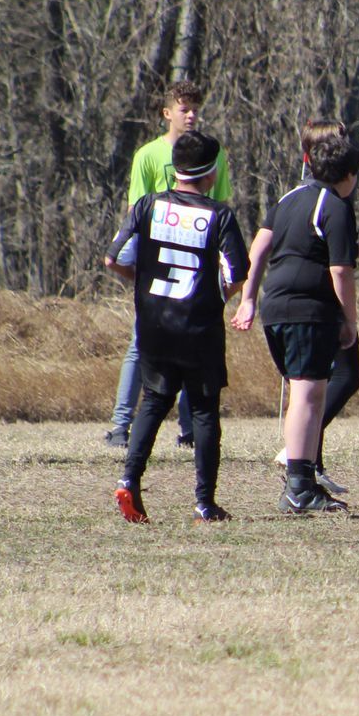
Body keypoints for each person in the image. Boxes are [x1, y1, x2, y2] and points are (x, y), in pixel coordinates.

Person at [233, 130, 359, 512]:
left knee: (307, 394)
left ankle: (305, 481)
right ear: (347, 175)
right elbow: (341, 271)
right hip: (307, 310)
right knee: (308, 397)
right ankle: (298, 487)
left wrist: (249, 298)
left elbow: (259, 248)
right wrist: (350, 320)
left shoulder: (290, 197)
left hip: (277, 306)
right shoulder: (336, 206)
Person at [104, 132, 248, 523]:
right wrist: (219, 297)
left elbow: (112, 259)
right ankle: (204, 501)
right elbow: (236, 276)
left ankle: (129, 479)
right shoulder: (220, 215)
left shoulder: (148, 205)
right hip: (198, 328)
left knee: (153, 401)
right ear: (212, 170)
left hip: (154, 325)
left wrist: (142, 283)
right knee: (203, 412)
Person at [106, 80, 233, 450]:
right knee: (139, 341)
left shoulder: (214, 152)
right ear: (167, 114)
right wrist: (138, 267)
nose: (191, 115)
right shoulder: (148, 154)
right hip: (159, 258)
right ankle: (120, 423)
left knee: (197, 343)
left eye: (196, 108)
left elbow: (221, 203)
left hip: (197, 259)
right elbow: (136, 210)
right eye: (184, 109)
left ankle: (190, 427)